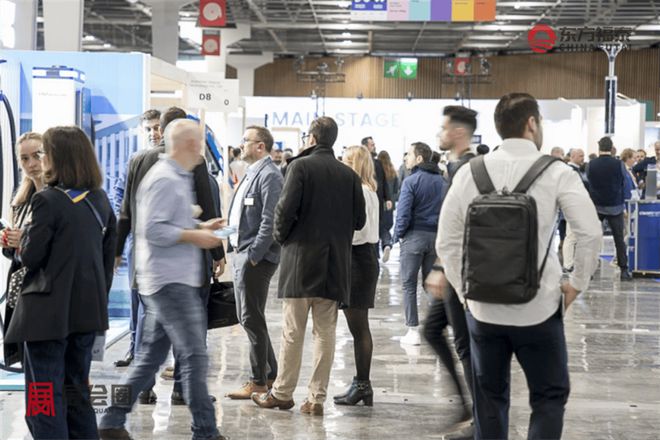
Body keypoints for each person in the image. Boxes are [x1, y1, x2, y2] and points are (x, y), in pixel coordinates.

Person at [437, 93, 602, 440]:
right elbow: (589, 232)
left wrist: (466, 294)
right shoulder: (557, 172)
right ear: (531, 123)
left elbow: (446, 242)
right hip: (538, 309)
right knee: (548, 397)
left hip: (483, 311)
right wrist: (575, 284)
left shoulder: (470, 173)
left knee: (489, 400)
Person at [99, 119, 228, 440]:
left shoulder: (177, 177)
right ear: (188, 145)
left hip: (169, 280)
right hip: (170, 283)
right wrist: (195, 237)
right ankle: (206, 431)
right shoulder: (164, 179)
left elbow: (168, 223)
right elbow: (153, 230)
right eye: (199, 142)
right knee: (194, 356)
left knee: (150, 359)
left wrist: (201, 228)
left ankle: (112, 420)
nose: (202, 149)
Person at [5, 126, 117, 440]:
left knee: (43, 398)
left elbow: (31, 257)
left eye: (44, 153)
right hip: (87, 314)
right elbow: (106, 262)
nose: (39, 160)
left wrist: (22, 241)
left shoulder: (47, 201)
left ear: (58, 157)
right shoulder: (99, 200)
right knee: (76, 392)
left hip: (45, 317)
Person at [252, 116, 366, 416]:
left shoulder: (299, 167)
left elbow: (283, 211)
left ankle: (282, 393)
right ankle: (316, 399)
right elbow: (360, 221)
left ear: (312, 138)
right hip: (335, 266)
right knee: (325, 333)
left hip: (300, 262)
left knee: (293, 332)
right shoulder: (349, 175)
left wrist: (283, 239)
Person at [424, 105, 478, 437]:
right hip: (452, 266)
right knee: (432, 330)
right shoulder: (456, 167)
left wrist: (442, 267)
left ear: (458, 132)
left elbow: (463, 223)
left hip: (458, 270)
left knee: (464, 344)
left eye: (444, 128)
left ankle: (479, 416)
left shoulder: (467, 169)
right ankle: (467, 405)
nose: (440, 134)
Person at [225, 126, 284, 399]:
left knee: (250, 318)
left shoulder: (270, 175)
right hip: (243, 253)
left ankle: (258, 381)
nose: (241, 145)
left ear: (260, 146)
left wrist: (253, 256)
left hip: (255, 258)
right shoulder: (252, 173)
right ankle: (270, 374)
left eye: (245, 140)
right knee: (249, 317)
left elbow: (270, 222)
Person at [113, 109, 161, 368]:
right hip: (137, 241)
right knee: (135, 297)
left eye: (157, 127)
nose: (154, 133)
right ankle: (134, 349)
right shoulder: (135, 160)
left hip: (164, 242)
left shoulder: (172, 160)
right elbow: (120, 196)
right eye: (149, 129)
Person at [334, 145, 379, 406]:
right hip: (363, 259)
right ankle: (360, 383)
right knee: (358, 327)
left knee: (359, 328)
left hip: (357, 260)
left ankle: (363, 385)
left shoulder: (360, 191)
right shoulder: (369, 190)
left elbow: (358, 233)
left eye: (346, 161)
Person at [394, 142, 446, 346]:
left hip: (414, 236)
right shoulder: (443, 182)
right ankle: (439, 326)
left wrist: (398, 235)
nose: (406, 158)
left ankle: (413, 330)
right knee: (430, 284)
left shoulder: (411, 181)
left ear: (419, 158)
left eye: (409, 154)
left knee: (409, 284)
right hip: (435, 237)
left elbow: (403, 213)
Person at [1, 132, 45, 368]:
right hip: (23, 291)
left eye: (37, 155)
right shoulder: (21, 200)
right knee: (32, 366)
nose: (32, 164)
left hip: (47, 291)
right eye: (25, 159)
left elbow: (63, 246)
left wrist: (24, 240)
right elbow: (15, 253)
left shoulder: (60, 198)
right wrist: (9, 242)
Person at [587, 136, 632, 281]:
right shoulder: (619, 164)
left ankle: (589, 271)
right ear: (611, 148)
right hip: (615, 206)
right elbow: (624, 183)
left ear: (599, 147)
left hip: (596, 206)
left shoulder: (591, 164)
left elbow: (588, 182)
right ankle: (624, 271)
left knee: (592, 239)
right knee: (619, 240)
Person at [361, 136, 392, 258]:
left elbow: (383, 181)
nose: (374, 146)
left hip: (377, 200)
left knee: (377, 225)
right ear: (365, 146)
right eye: (372, 145)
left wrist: (387, 198)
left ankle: (376, 252)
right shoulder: (361, 162)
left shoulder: (377, 163)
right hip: (365, 198)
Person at [562, 148, 590, 273]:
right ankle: (568, 264)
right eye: (580, 156)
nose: (583, 158)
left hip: (579, 207)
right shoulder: (570, 170)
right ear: (572, 156)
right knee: (571, 236)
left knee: (576, 236)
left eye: (583, 156)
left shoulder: (579, 170)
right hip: (573, 207)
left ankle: (571, 263)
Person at [376, 150, 399, 263]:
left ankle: (378, 251)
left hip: (379, 204)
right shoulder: (393, 171)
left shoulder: (377, 171)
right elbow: (396, 190)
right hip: (389, 205)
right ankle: (387, 244)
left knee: (377, 228)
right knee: (385, 228)